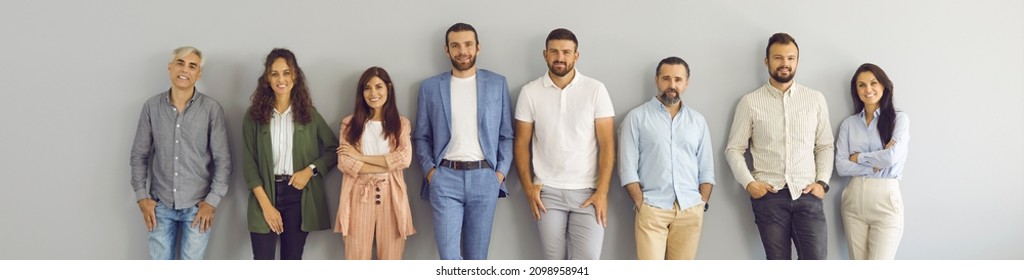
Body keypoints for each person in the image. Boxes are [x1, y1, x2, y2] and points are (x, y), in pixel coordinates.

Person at [724, 32, 834, 260]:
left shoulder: (815, 99)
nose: (785, 64)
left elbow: (825, 145)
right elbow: (734, 149)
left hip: (807, 194)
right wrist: (749, 184)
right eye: (778, 58)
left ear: (797, 61)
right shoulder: (750, 102)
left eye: (791, 58)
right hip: (769, 197)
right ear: (767, 61)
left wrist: (822, 183)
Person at [412, 22, 514, 260]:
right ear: (447, 50)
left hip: (485, 178)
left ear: (478, 47)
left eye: (468, 44)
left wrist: (499, 174)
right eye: (455, 45)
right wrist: (430, 173)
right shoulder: (430, 87)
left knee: (477, 258)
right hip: (445, 178)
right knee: (449, 258)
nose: (462, 51)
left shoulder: (497, 83)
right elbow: (421, 136)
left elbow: (506, 134)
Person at [514, 28, 615, 260]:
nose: (560, 57)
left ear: (576, 56)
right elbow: (521, 144)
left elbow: (608, 144)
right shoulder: (530, 92)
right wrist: (529, 189)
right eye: (554, 52)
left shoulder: (595, 90)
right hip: (546, 193)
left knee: (587, 263)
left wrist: (602, 192)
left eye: (567, 52)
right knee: (554, 265)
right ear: (545, 54)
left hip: (588, 193)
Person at [129, 46, 231, 260]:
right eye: (180, 63)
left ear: (198, 74)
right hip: (160, 205)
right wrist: (142, 198)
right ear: (170, 67)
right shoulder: (152, 107)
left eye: (192, 66)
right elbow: (139, 155)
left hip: (197, 207)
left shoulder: (212, 110)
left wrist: (211, 202)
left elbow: (223, 161)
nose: (185, 70)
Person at [242, 48, 338, 260]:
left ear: (295, 75)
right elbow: (249, 164)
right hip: (264, 195)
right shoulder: (254, 117)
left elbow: (334, 151)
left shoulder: (309, 115)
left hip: (298, 197)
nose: (281, 79)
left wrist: (309, 171)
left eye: (286, 72)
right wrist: (267, 207)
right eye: (274, 73)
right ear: (267, 78)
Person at [619, 57, 714, 260]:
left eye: (678, 79)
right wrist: (641, 203)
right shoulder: (636, 118)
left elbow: (706, 169)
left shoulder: (697, 121)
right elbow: (627, 168)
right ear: (657, 80)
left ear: (686, 83)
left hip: (690, 209)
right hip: (652, 208)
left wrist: (701, 203)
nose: (672, 85)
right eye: (666, 78)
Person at [335, 66, 416, 260]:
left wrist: (360, 157)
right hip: (358, 195)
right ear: (361, 92)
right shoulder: (349, 123)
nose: (373, 93)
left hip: (392, 195)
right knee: (356, 258)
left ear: (388, 88)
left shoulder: (401, 124)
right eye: (367, 88)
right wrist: (386, 164)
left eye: (379, 87)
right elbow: (345, 163)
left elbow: (404, 159)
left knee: (391, 259)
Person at [836, 63, 909, 260]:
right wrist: (878, 161)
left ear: (884, 86)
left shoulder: (898, 120)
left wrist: (859, 157)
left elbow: (892, 158)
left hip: (886, 201)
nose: (868, 89)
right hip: (853, 201)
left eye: (873, 83)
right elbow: (841, 166)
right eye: (861, 85)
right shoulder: (848, 125)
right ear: (856, 90)